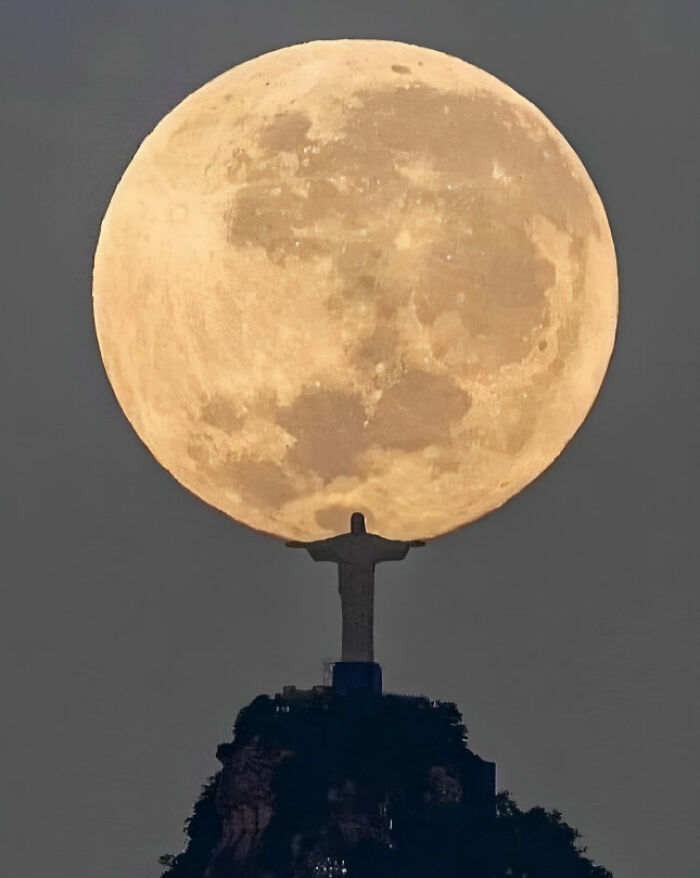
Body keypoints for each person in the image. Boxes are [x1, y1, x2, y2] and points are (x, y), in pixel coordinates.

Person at [286, 512, 425, 662]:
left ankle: (363, 659)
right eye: (354, 522)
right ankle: (352, 658)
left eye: (359, 522)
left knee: (364, 626)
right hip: (349, 593)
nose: (356, 526)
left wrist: (408, 544)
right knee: (350, 625)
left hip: (365, 593)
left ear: (363, 524)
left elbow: (391, 546)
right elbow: (324, 546)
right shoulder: (343, 543)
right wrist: (305, 544)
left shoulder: (372, 543)